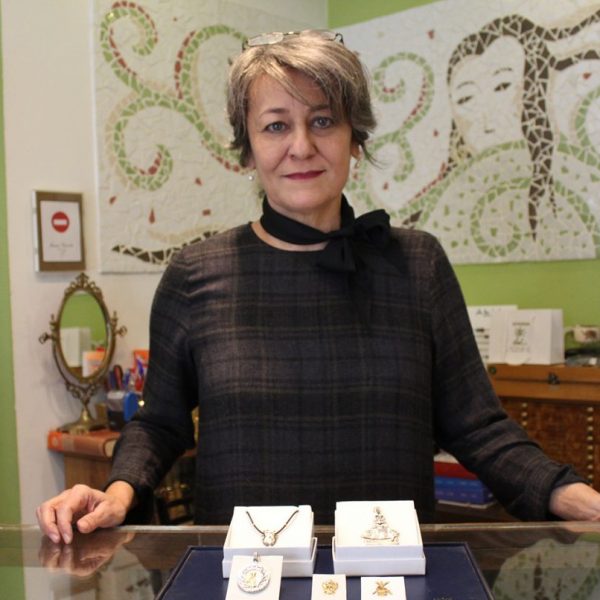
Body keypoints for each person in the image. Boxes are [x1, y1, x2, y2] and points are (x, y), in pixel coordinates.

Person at [38, 29, 600, 545]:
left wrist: (568, 493)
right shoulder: (195, 275)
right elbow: (160, 424)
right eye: (276, 125)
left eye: (324, 121)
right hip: (247, 577)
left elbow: (477, 425)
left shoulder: (418, 264)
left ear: (355, 139)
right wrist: (117, 492)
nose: (302, 146)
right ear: (248, 148)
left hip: (388, 574)